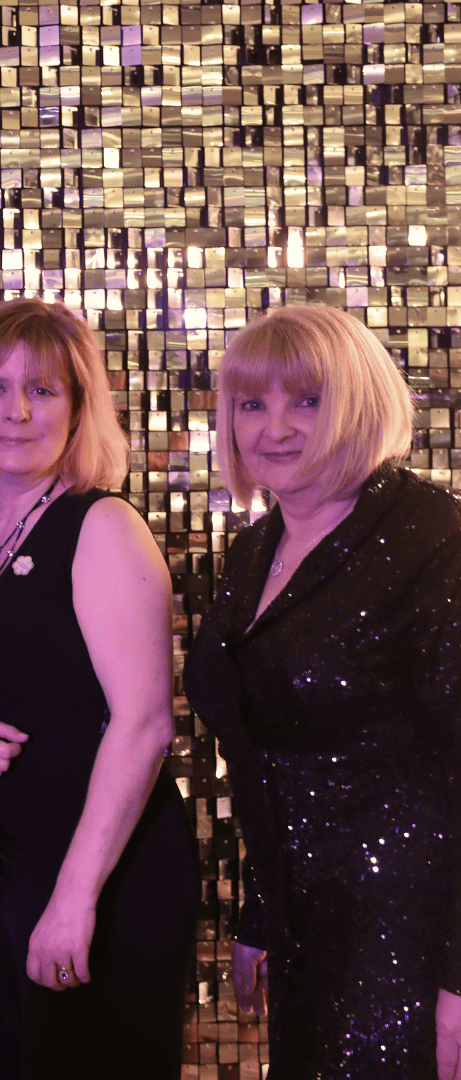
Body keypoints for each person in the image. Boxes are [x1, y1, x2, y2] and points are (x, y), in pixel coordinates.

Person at [184, 305, 461, 1078]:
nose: (276, 427)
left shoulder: (432, 539)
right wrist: (260, 915)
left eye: (307, 399)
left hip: (408, 944)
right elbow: (272, 754)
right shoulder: (253, 553)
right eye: (252, 404)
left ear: (359, 403)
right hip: (304, 934)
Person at [0, 298, 196, 1078]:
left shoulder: (101, 524)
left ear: (79, 411)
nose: (16, 410)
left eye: (43, 391)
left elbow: (144, 725)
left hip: (99, 870)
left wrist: (75, 899)